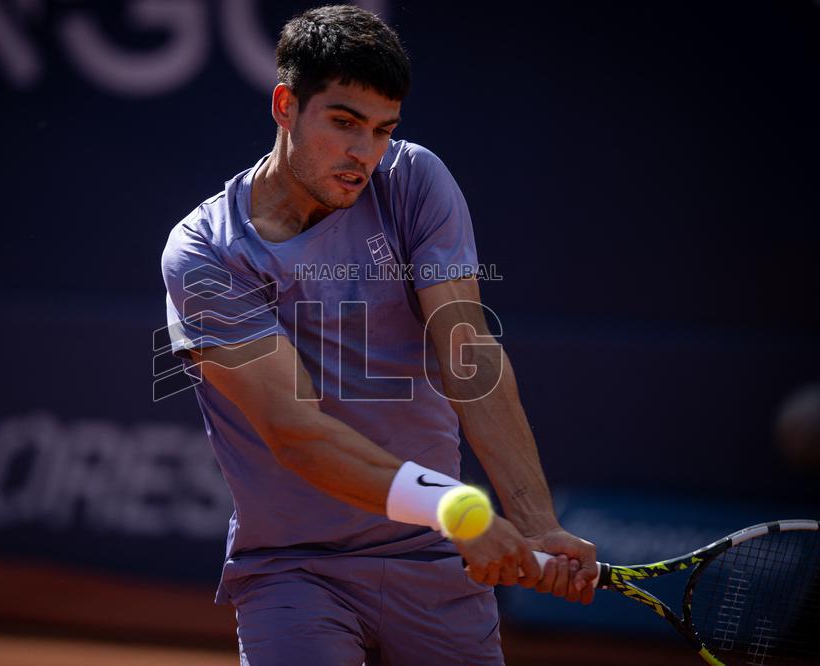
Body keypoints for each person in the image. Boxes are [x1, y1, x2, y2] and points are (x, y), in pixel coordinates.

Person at [161, 5, 596, 664]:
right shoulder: (205, 253)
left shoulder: (415, 181)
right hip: (294, 569)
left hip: (435, 564)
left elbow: (468, 358)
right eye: (343, 124)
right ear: (285, 105)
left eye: (382, 130)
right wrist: (455, 506)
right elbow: (294, 431)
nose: (364, 153)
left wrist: (535, 521)